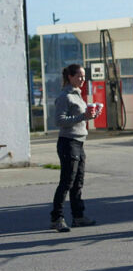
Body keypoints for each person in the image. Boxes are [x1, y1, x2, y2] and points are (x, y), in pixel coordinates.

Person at [49, 64, 100, 232]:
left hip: (79, 141)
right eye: (79, 76)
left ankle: (78, 216)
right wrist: (82, 116)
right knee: (67, 181)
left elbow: (80, 117)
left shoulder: (78, 94)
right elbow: (59, 120)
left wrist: (92, 114)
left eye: (84, 76)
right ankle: (57, 218)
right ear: (70, 77)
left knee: (78, 182)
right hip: (68, 142)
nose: (82, 79)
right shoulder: (65, 96)